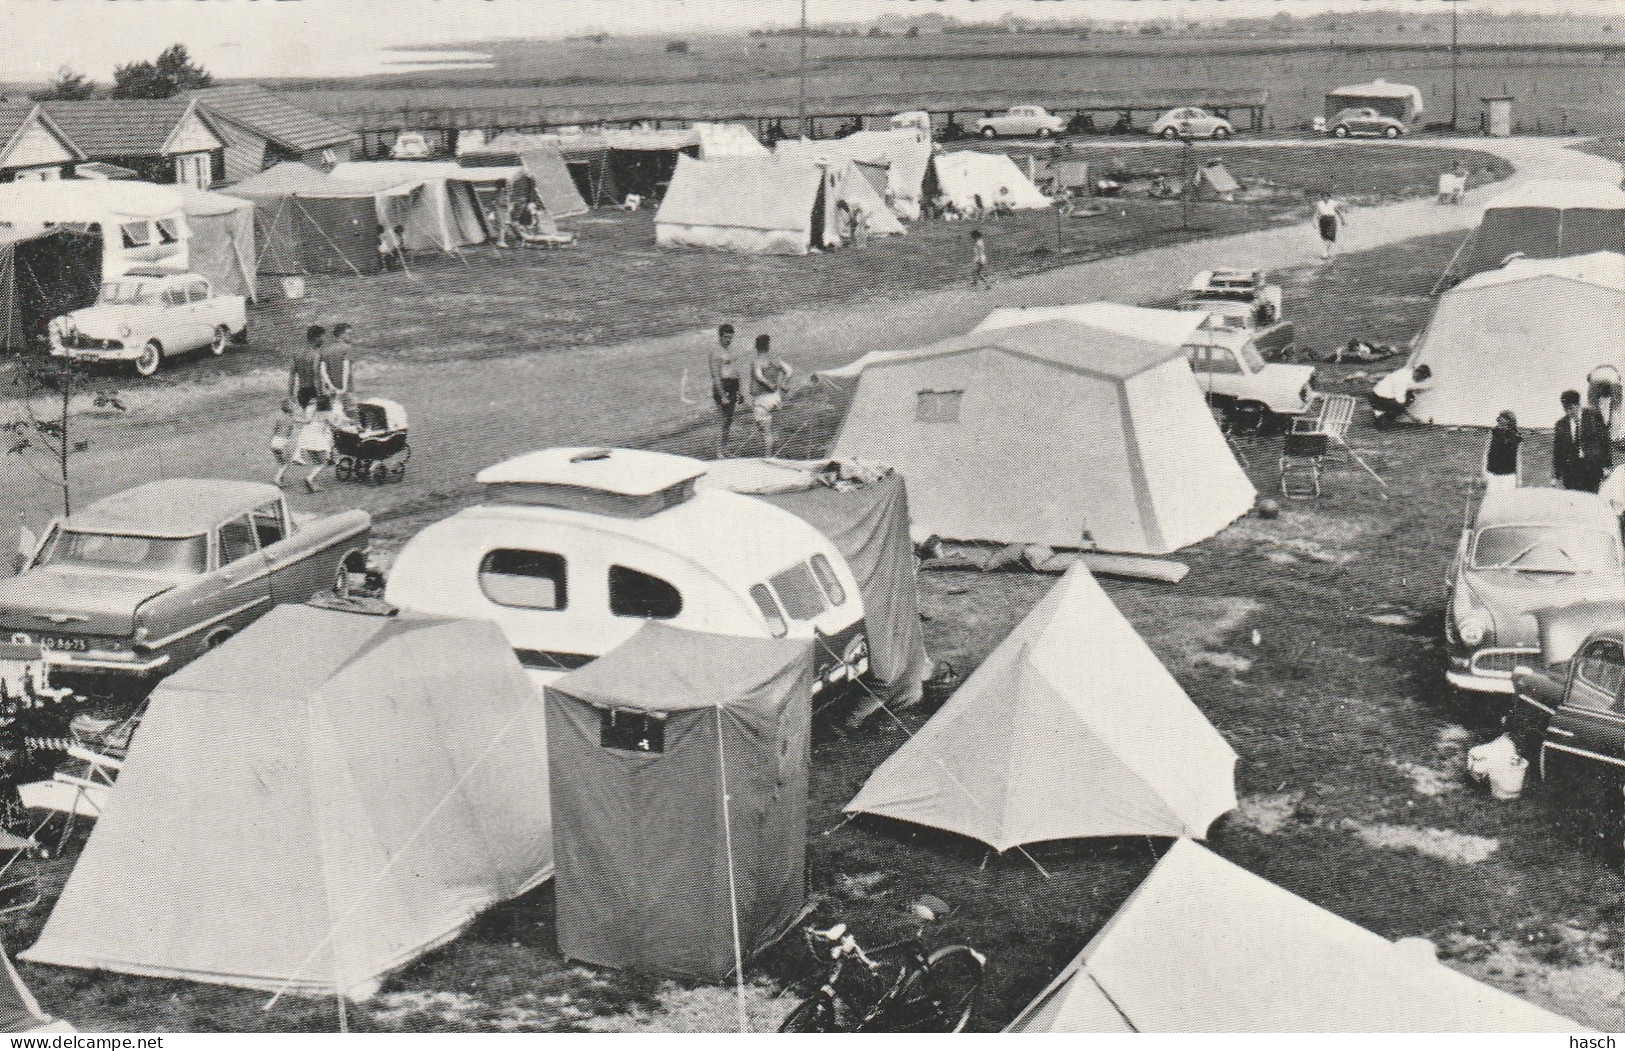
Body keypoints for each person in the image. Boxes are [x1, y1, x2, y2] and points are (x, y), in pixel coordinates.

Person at [1553, 388, 1612, 493]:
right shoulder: (1561, 425)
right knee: (1574, 502)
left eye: (1570, 408)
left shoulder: (1594, 418)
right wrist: (1556, 475)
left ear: (1578, 405)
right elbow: (1558, 451)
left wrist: (1607, 465)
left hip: (1592, 469)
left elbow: (1604, 442)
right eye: (1565, 408)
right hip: (1571, 472)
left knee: (1591, 500)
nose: (1568, 411)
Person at [749, 334, 792, 456]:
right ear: (768, 346)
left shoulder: (757, 361)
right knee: (774, 431)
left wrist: (769, 384)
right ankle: (776, 455)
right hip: (775, 398)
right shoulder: (776, 360)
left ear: (756, 347)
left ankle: (768, 457)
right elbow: (789, 371)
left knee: (766, 432)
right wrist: (784, 382)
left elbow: (759, 376)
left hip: (762, 399)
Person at [708, 323, 741, 458]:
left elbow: (736, 372)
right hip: (722, 386)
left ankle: (725, 448)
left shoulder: (731, 350)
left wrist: (740, 390)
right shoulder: (715, 352)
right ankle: (719, 451)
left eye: (730, 337)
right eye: (726, 337)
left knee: (729, 420)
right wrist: (722, 396)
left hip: (732, 385)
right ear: (720, 336)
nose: (728, 340)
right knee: (722, 420)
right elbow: (715, 376)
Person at [1367, 364, 1431, 427]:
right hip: (1379, 398)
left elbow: (1410, 387)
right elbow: (1400, 403)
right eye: (1423, 378)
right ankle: (1381, 417)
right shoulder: (1403, 380)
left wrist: (1425, 389)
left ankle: (1381, 414)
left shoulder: (1406, 372)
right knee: (1404, 403)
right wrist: (1414, 419)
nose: (1422, 380)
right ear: (1418, 373)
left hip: (1378, 394)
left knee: (1409, 397)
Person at [296, 396, 337, 493]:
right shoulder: (328, 414)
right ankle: (310, 478)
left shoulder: (314, 412)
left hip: (306, 436)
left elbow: (308, 421)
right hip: (317, 438)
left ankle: (313, 484)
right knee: (324, 461)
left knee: (317, 462)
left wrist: (297, 419)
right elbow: (333, 426)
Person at [289, 325, 327, 409]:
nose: (323, 341)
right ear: (316, 338)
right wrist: (320, 395)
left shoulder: (296, 353)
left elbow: (292, 376)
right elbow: (316, 374)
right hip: (313, 391)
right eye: (322, 337)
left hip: (301, 392)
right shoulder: (316, 353)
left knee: (306, 417)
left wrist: (290, 395)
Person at [1482, 410, 1522, 491]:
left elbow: (1518, 458)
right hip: (1492, 473)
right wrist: (1483, 473)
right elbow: (1486, 454)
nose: (1498, 422)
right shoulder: (1492, 433)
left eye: (1501, 420)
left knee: (1506, 500)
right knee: (1492, 498)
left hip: (1509, 475)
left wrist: (1519, 478)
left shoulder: (1516, 436)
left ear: (1509, 421)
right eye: (1499, 420)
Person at [270, 398, 302, 488]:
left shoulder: (280, 417)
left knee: (281, 462)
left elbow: (275, 430)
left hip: (274, 441)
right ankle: (277, 478)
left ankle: (280, 479)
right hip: (282, 441)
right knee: (287, 463)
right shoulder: (291, 418)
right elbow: (296, 423)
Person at [327, 321, 357, 409]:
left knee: (335, 415)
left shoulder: (328, 350)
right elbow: (346, 369)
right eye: (349, 334)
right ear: (341, 335)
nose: (351, 336)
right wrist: (344, 388)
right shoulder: (347, 348)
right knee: (353, 416)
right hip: (346, 388)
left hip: (331, 388)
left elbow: (324, 370)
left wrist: (329, 386)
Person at [1313, 190, 1348, 261]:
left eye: (1326, 196)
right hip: (1323, 220)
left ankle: (1325, 252)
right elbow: (1317, 213)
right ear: (1322, 197)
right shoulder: (1319, 203)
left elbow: (1338, 211)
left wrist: (1342, 220)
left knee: (1331, 236)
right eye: (1323, 196)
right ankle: (1326, 253)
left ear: (1328, 197)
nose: (1324, 198)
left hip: (1331, 219)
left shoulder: (1332, 203)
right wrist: (1314, 221)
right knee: (1324, 237)